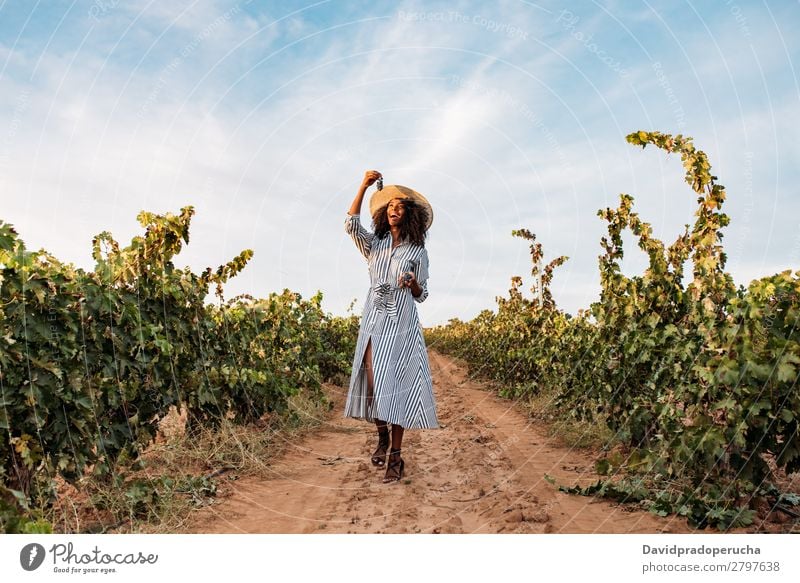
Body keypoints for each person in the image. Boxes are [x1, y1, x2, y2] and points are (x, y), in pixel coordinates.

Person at [344, 170, 440, 483]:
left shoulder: (417, 252)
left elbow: (422, 294)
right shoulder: (375, 245)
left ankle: (396, 459)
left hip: (403, 319)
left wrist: (412, 284)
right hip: (375, 316)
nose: (393, 209)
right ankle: (382, 435)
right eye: (389, 206)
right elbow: (350, 225)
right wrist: (363, 186)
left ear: (408, 213)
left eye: (399, 206)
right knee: (374, 385)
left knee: (396, 386)